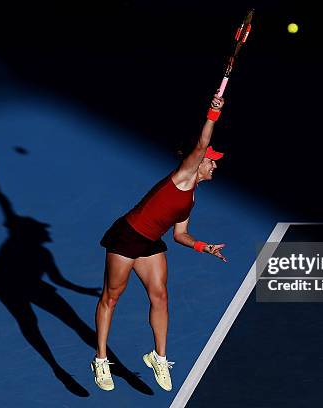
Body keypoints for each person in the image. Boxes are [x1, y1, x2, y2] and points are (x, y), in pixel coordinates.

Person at [90, 92, 227, 392]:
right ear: (198, 162)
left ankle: (158, 357)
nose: (215, 165)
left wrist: (204, 246)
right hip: (128, 235)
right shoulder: (184, 176)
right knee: (111, 297)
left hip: (150, 242)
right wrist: (212, 113)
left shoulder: (190, 197)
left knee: (160, 297)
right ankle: (100, 359)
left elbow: (179, 235)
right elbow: (203, 143)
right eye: (212, 161)